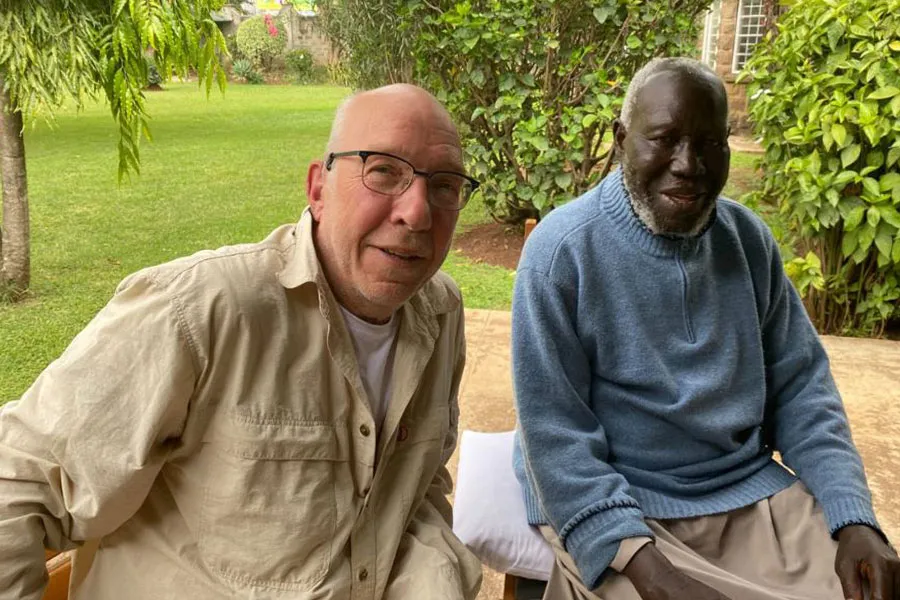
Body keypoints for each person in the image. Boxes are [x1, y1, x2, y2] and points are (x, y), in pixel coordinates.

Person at [0, 83, 483, 600]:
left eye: (445, 186)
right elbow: (17, 483)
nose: (418, 213)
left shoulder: (440, 312)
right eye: (384, 171)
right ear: (318, 189)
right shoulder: (197, 311)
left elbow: (414, 490)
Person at [512, 57, 899, 600]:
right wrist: (650, 572)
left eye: (710, 143)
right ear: (622, 139)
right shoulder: (561, 253)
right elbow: (555, 438)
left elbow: (804, 392)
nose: (688, 164)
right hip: (622, 509)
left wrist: (854, 516)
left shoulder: (749, 243)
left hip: (746, 494)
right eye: (664, 139)